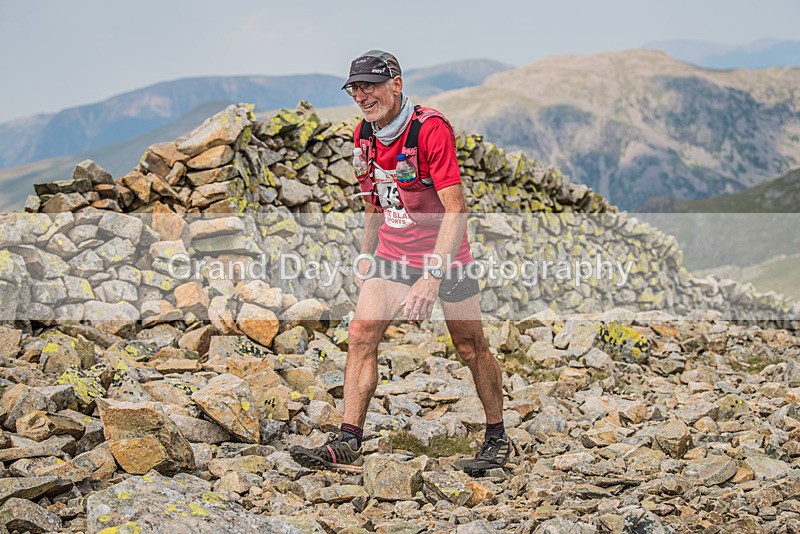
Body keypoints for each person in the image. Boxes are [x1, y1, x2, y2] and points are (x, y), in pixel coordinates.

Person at [289, 50, 512, 477]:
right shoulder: (364, 136)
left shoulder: (430, 130)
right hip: (392, 254)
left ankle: (497, 436)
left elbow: (456, 208)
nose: (361, 94)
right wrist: (365, 253)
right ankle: (348, 438)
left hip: (447, 258)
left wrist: (431, 277)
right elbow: (375, 200)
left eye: (370, 85)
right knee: (360, 333)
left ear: (397, 83)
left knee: (470, 347)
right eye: (355, 87)